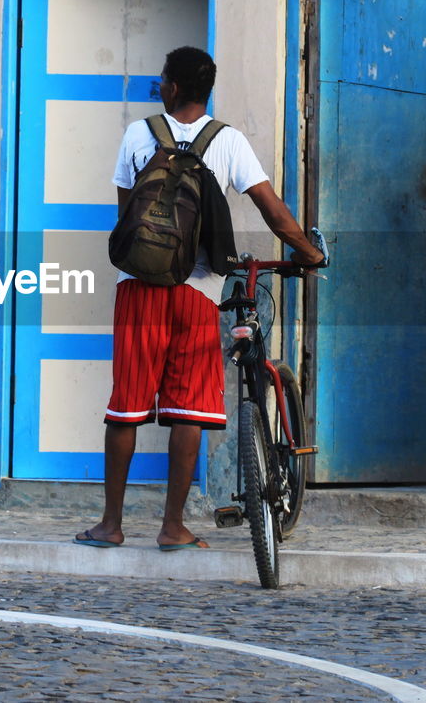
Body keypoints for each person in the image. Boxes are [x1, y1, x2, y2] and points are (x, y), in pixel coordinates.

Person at [76, 46, 324, 551]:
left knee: (126, 407)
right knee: (190, 409)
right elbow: (273, 212)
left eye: (162, 79)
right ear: (206, 90)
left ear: (170, 87)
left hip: (140, 291)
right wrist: (309, 253)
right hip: (198, 291)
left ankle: (111, 524)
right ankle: (173, 528)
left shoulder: (139, 133)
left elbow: (128, 220)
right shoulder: (227, 141)